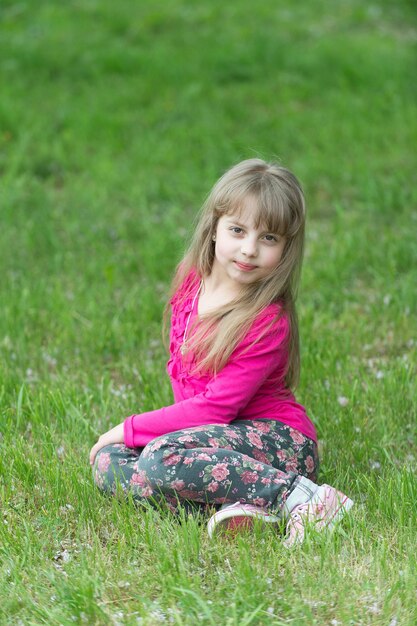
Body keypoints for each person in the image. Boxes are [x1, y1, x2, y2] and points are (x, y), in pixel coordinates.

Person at [89, 158, 353, 547]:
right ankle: (241, 510)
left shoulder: (266, 321)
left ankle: (305, 500)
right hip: (221, 445)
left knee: (160, 457)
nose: (249, 250)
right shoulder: (192, 279)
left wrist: (127, 428)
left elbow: (213, 410)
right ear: (213, 227)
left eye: (268, 239)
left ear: (285, 248)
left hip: (282, 446)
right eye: (237, 230)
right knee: (108, 464)